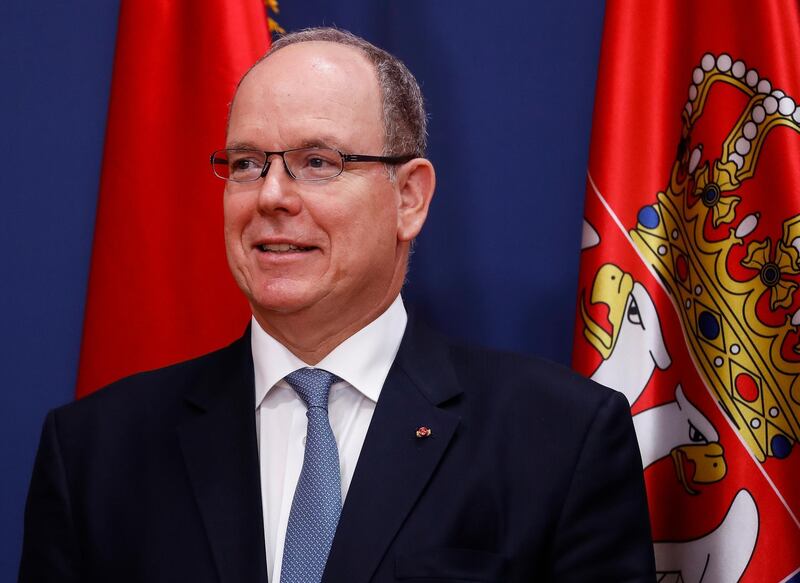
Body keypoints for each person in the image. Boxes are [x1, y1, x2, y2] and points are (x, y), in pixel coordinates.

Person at [19, 27, 655, 583]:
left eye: (316, 162)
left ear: (409, 198)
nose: (270, 195)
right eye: (246, 163)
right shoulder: (93, 454)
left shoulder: (560, 439)